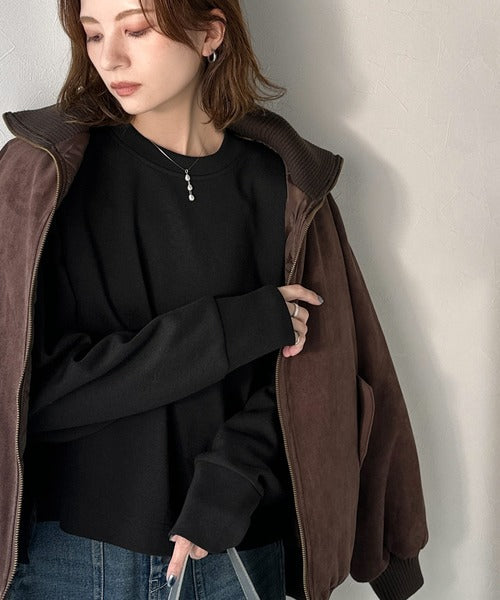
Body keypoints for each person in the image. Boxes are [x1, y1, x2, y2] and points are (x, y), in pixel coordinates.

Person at [0, 1, 429, 599]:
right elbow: (32, 394)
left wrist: (230, 485)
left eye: (136, 29)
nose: (110, 58)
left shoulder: (285, 185)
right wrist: (238, 326)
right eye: (93, 35)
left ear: (210, 32)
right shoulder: (47, 177)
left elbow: (317, 377)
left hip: (240, 549)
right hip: (74, 558)